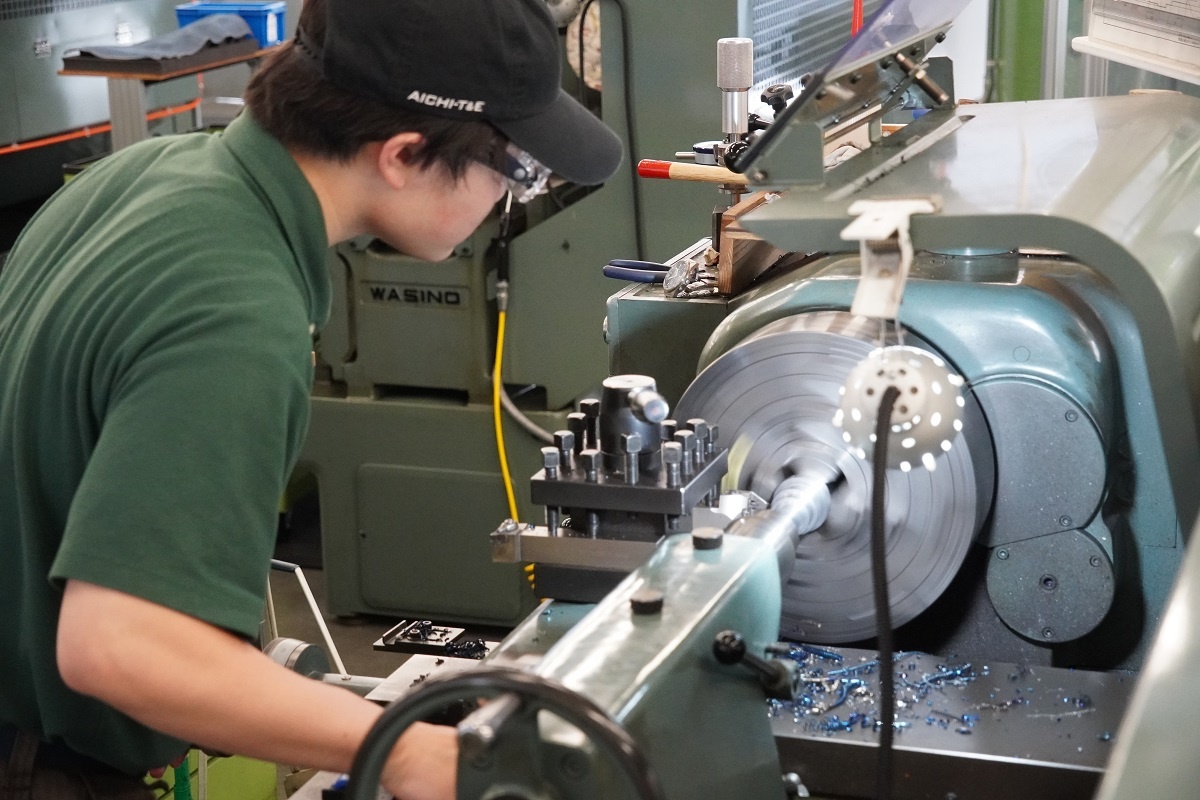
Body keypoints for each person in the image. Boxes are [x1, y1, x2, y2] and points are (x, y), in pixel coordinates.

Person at [0, 0, 622, 797]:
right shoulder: (237, 308)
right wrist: (404, 752)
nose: (510, 198)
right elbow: (121, 648)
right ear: (403, 154)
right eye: (515, 171)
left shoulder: (140, 176)